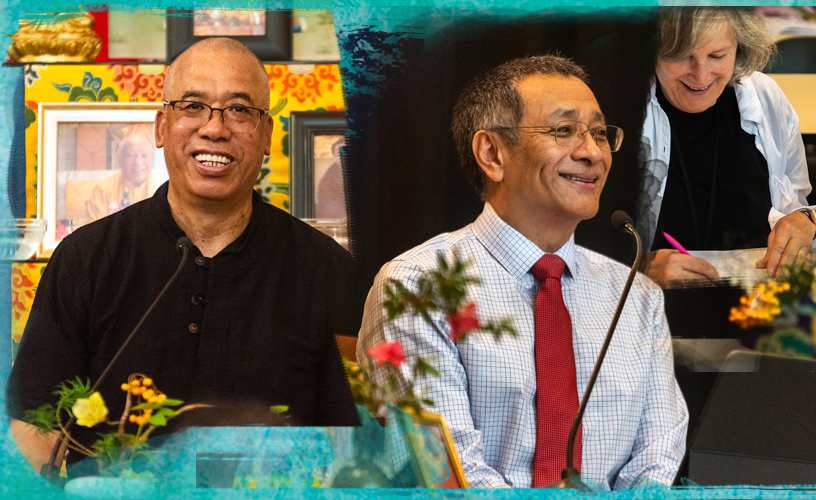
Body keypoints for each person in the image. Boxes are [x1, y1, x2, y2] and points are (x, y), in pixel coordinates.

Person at [7, 38, 361, 473]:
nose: (214, 128)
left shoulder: (328, 271)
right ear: (160, 127)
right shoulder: (86, 259)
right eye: (192, 106)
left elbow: (353, 445)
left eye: (239, 109)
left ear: (267, 135)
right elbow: (34, 426)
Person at [357, 55, 687, 489]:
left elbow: (657, 459)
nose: (592, 152)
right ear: (492, 153)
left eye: (600, 133)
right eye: (563, 130)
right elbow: (446, 473)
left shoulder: (638, 296)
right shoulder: (417, 286)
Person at [637, 7, 816, 286]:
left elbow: (794, 207)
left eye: (717, 56)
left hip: (757, 301)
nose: (701, 76)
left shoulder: (767, 99)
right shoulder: (619, 109)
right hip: (651, 301)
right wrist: (635, 269)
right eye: (681, 56)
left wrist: (805, 222)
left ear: (739, 48)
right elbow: (573, 238)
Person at [84, 131, 156, 222]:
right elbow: (95, 231)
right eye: (130, 155)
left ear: (152, 158)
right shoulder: (102, 190)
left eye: (144, 155)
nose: (138, 163)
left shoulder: (162, 186)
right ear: (119, 159)